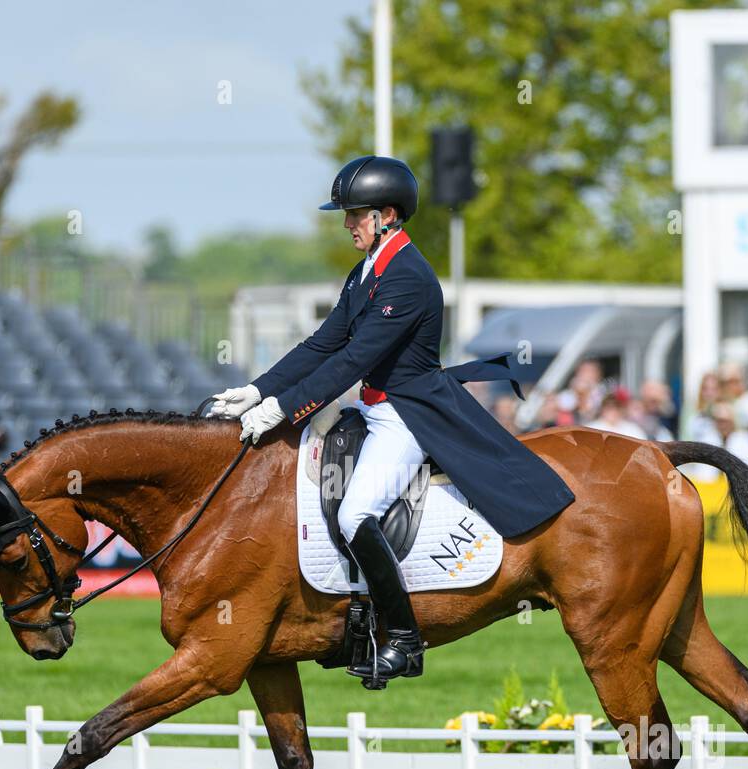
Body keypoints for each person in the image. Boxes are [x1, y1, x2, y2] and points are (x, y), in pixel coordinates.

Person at [211, 155, 574, 686]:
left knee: (356, 513)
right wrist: (257, 390)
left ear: (387, 214)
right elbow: (323, 343)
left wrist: (283, 409)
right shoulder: (365, 271)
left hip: (407, 413)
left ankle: (404, 639)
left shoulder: (409, 277)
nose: (346, 224)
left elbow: (353, 361)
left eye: (355, 214)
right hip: (371, 408)